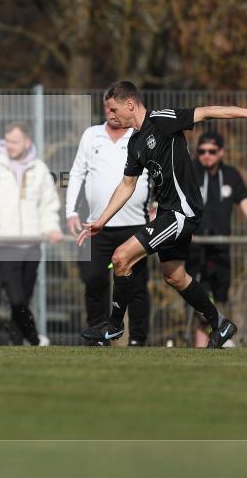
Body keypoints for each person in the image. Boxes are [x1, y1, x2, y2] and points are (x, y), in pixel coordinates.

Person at [77, 81, 247, 348]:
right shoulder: (135, 143)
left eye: (114, 110)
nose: (111, 116)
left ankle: (114, 326)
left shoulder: (162, 120)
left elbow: (209, 111)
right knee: (174, 276)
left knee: (120, 257)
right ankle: (220, 324)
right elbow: (127, 184)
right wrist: (102, 220)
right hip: (168, 213)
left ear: (130, 104)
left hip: (182, 212)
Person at [0, 122, 62, 346]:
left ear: (27, 142)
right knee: (16, 298)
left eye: (15, 141)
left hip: (32, 244)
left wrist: (52, 228)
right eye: (7, 141)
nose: (10, 146)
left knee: (23, 299)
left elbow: (47, 205)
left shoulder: (39, 168)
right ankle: (34, 338)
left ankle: (16, 341)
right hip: (4, 244)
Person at [67, 101, 152, 346]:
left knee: (136, 285)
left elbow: (158, 174)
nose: (111, 113)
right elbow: (76, 173)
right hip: (96, 226)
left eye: (115, 108)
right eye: (108, 108)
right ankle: (97, 334)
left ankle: (137, 338)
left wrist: (158, 207)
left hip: (134, 224)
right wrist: (71, 212)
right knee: (94, 279)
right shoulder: (91, 135)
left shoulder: (140, 135)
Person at [188, 130, 247, 347]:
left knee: (219, 299)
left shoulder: (231, 174)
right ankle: (211, 339)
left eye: (212, 151)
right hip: (193, 247)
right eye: (202, 151)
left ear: (221, 152)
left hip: (220, 249)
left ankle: (214, 343)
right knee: (200, 303)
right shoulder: (190, 171)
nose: (206, 155)